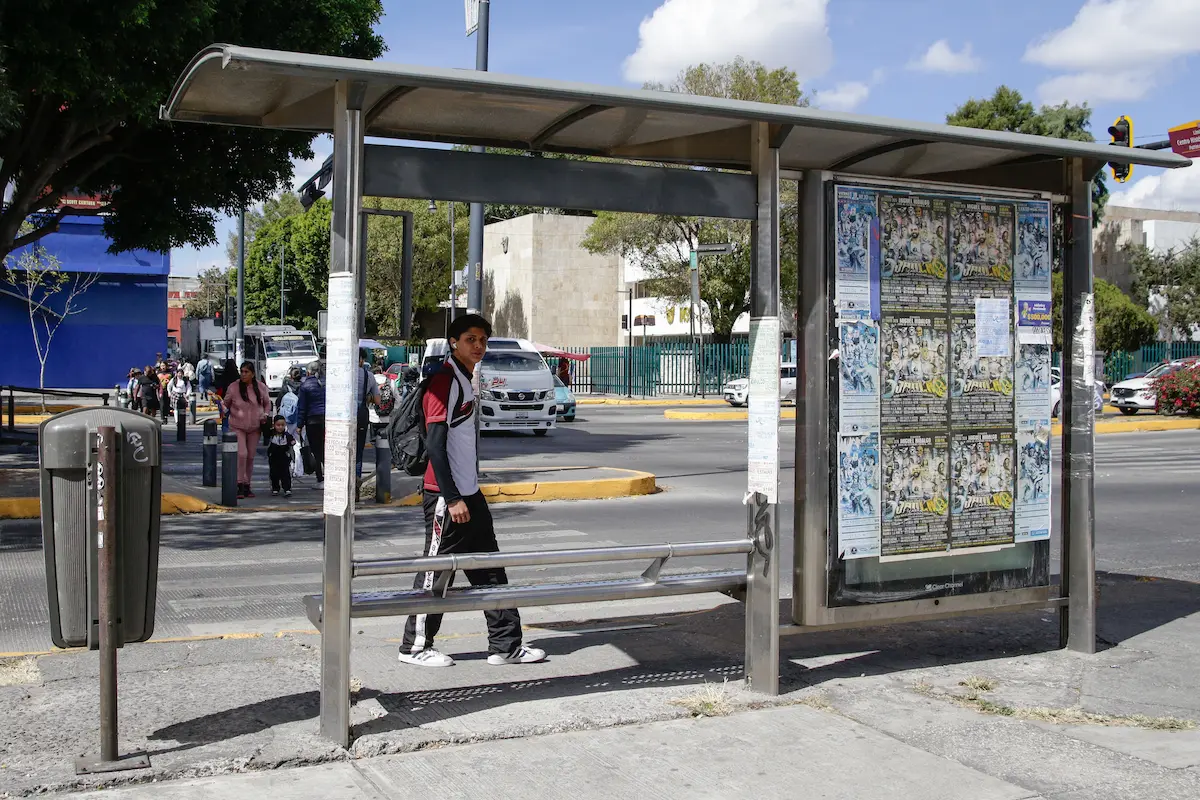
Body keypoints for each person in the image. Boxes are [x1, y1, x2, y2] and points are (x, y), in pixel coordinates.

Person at [399, 314, 546, 668]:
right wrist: (451, 499)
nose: (478, 346)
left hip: (469, 493)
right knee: (436, 571)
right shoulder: (445, 380)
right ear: (454, 342)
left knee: (490, 568)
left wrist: (466, 494)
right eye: (470, 339)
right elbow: (435, 444)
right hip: (445, 496)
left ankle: (506, 646)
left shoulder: (466, 377)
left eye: (482, 340)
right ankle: (414, 647)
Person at [220, 361, 271, 499]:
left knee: (250, 456)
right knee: (242, 454)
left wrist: (265, 415)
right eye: (241, 371)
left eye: (246, 372)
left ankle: (247, 485)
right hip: (237, 426)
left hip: (255, 427)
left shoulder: (261, 387)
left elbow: (267, 404)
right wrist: (223, 409)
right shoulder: (233, 387)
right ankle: (239, 484)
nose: (243, 374)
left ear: (253, 374)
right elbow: (226, 403)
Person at [296, 361, 327, 489]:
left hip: (312, 421)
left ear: (308, 371)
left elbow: (302, 407)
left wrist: (299, 425)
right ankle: (332, 475)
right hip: (326, 419)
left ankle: (320, 478)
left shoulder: (305, 386)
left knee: (316, 450)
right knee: (327, 448)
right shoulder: (326, 383)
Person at [355, 349, 381, 481]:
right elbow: (378, 400)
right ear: (361, 359)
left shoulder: (342, 373)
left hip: (342, 417)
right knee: (358, 452)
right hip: (361, 416)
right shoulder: (368, 375)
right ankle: (356, 483)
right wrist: (368, 397)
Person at [266, 415, 296, 497]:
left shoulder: (287, 435)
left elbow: (292, 441)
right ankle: (275, 488)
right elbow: (266, 433)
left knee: (285, 473)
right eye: (278, 425)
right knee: (274, 473)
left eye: (282, 425)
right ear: (274, 425)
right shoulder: (271, 433)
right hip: (274, 457)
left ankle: (287, 489)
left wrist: (292, 442)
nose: (280, 427)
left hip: (284, 457)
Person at [211, 359, 239, 434]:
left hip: (224, 402)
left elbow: (217, 386)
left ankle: (225, 435)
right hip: (236, 403)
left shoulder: (223, 377)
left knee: (225, 419)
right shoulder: (238, 378)